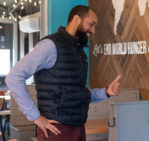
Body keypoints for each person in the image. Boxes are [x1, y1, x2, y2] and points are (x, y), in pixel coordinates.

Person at [5, 5, 121, 141]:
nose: (93, 31)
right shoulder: (50, 46)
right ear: (77, 19)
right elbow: (13, 78)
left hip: (78, 127)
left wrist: (106, 92)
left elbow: (78, 93)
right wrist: (35, 117)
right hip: (56, 130)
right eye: (91, 24)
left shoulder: (80, 54)